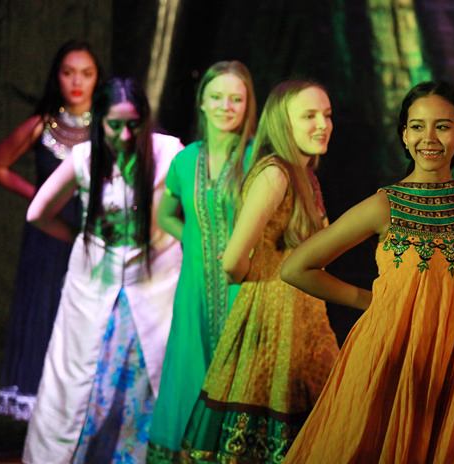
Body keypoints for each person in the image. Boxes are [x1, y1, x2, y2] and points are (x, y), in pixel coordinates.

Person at [281, 81, 454, 463]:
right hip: (387, 354)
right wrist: (371, 301)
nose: (429, 137)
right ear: (405, 136)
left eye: (442, 126)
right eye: (417, 126)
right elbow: (296, 267)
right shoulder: (385, 205)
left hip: (449, 354)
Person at [23, 77, 184, 463]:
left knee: (148, 374)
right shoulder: (85, 157)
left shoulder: (168, 152)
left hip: (156, 282)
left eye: (134, 124)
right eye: (114, 125)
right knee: (86, 377)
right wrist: (81, 239)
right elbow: (37, 213)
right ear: (100, 121)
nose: (125, 135)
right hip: (95, 287)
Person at [180, 80, 340, 463]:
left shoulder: (306, 176)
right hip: (271, 319)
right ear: (283, 123)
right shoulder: (275, 174)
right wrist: (260, 283)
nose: (322, 124)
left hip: (305, 319)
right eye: (309, 116)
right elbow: (233, 259)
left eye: (327, 115)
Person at [0, 39, 102, 420]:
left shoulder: (107, 128)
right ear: (57, 76)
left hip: (91, 239)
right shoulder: (41, 126)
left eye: (86, 73)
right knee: (43, 314)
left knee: (85, 320)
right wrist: (39, 196)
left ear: (97, 79)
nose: (77, 82)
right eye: (69, 73)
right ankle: (39, 414)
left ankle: (79, 413)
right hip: (47, 241)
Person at [148, 60, 258, 462]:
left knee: (238, 376)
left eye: (236, 99)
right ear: (202, 102)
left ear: (248, 105)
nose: (226, 106)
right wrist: (194, 240)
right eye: (217, 97)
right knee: (190, 373)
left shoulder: (257, 159)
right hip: (194, 288)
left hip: (242, 287)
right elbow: (164, 215)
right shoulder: (185, 160)